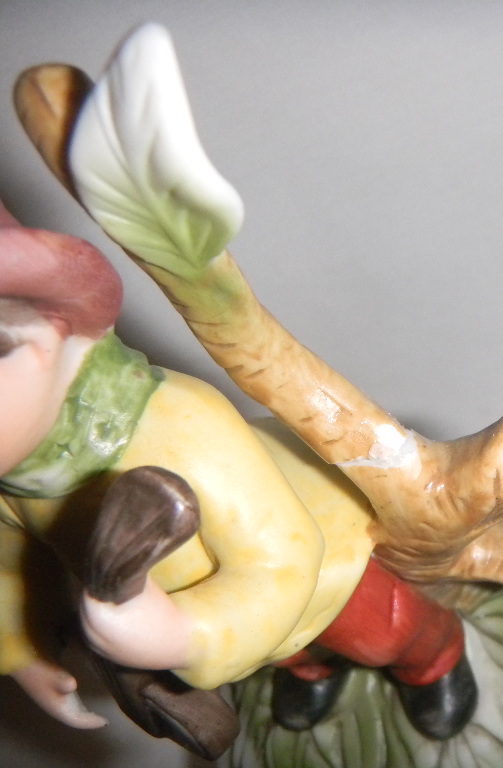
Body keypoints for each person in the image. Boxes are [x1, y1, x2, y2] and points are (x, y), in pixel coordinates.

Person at [0, 202, 476, 757]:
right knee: (287, 652)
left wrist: (185, 636)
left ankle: (435, 659)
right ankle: (312, 670)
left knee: (380, 628)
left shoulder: (177, 423)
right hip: (219, 615)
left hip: (318, 566)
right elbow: (11, 569)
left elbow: (281, 563)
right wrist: (24, 652)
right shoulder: (18, 481)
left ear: (42, 335)